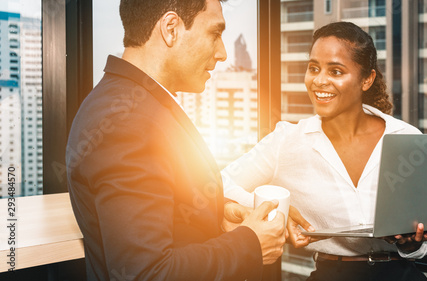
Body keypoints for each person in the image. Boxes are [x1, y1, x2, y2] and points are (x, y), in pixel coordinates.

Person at [65, 0, 286, 280]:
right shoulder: (127, 123)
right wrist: (249, 245)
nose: (222, 53)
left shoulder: (135, 103)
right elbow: (146, 272)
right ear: (171, 29)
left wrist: (216, 216)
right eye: (215, 34)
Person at [222, 22, 427, 281]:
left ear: (367, 79)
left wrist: (412, 244)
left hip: (401, 275)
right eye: (313, 68)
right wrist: (272, 212)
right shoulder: (287, 141)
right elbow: (220, 184)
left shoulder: (406, 138)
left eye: (335, 71)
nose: (319, 80)